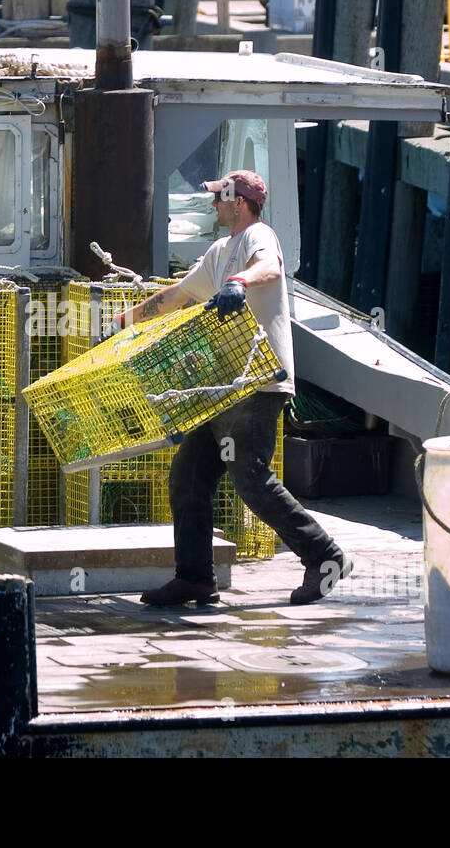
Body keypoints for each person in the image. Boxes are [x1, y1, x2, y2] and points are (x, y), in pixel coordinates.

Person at [112, 169, 353, 607]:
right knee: (187, 477)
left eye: (218, 197)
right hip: (222, 389)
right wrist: (123, 323)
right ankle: (195, 578)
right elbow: (175, 297)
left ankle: (324, 555)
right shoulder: (220, 251)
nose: (212, 205)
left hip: (259, 383)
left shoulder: (258, 237)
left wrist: (240, 282)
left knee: (252, 479)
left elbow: (270, 268)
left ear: (239, 201)